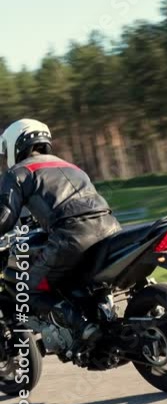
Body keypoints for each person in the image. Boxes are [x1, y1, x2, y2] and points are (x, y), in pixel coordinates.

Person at [0, 119, 121, 343]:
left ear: (15, 143)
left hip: (71, 235)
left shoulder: (18, 173)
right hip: (110, 228)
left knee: (28, 290)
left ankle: (83, 327)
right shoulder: (71, 167)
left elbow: (5, 217)